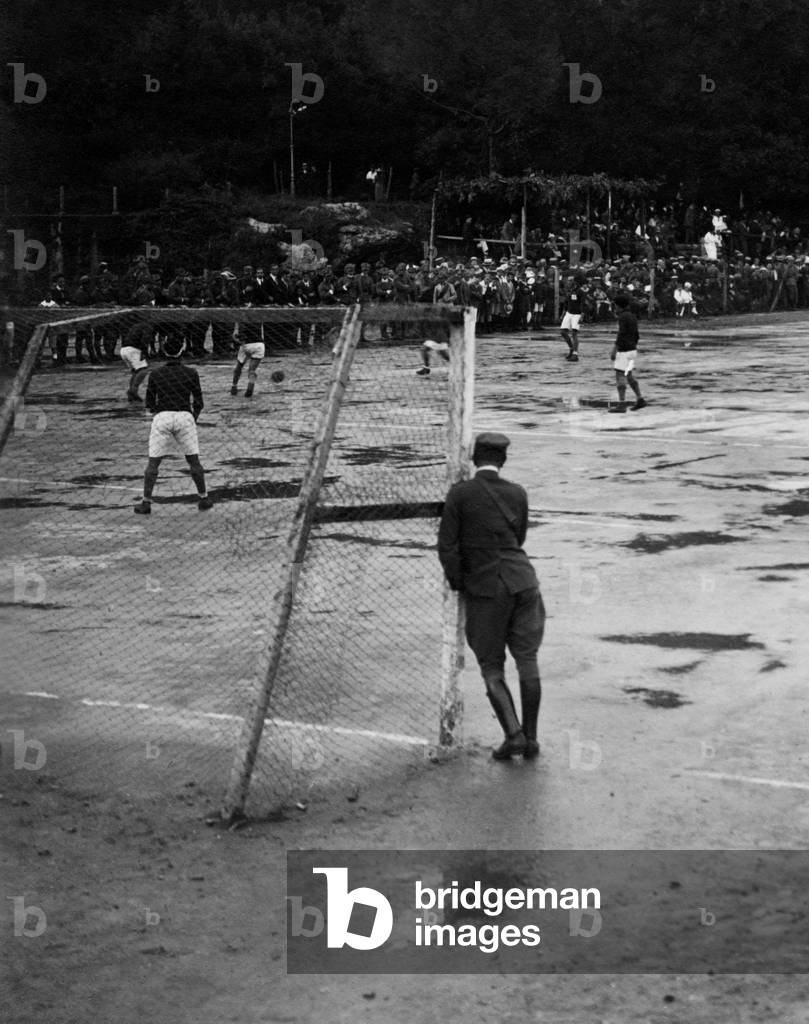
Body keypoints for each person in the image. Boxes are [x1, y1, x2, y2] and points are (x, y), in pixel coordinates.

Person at [438, 432, 545, 760]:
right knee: (527, 659)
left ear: (473, 458)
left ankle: (513, 735)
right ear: (503, 460)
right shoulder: (517, 493)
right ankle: (531, 738)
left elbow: (447, 547)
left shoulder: (460, 495)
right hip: (524, 581)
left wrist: (460, 583)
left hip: (487, 588)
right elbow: (520, 535)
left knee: (490, 663)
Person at [134, 334, 212, 514]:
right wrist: (192, 418)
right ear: (181, 351)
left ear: (164, 352)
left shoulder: (156, 373)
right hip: (184, 415)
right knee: (194, 461)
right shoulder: (191, 373)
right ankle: (203, 498)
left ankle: (146, 502)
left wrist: (156, 414)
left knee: (153, 463)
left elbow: (150, 402)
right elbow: (199, 401)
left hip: (162, 415)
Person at [609, 294, 646, 412]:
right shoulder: (632, 316)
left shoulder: (622, 317)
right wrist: (633, 346)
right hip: (632, 349)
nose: (614, 308)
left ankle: (622, 404)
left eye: (615, 306)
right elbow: (636, 335)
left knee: (620, 376)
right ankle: (640, 399)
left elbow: (621, 334)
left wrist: (615, 349)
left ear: (619, 306)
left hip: (624, 350)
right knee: (629, 375)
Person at [120, 316, 153, 403]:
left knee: (136, 371)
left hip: (124, 350)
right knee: (143, 370)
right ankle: (133, 391)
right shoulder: (148, 326)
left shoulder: (137, 325)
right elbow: (145, 339)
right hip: (133, 350)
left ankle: (132, 391)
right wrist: (144, 352)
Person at [560, 277, 583, 361]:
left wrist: (582, 315)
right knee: (563, 332)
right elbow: (567, 302)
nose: (568, 282)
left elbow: (583, 303)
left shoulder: (580, 291)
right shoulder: (569, 291)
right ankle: (571, 348)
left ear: (574, 282)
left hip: (577, 314)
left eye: (570, 281)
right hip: (569, 313)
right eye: (568, 280)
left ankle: (575, 354)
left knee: (574, 333)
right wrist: (563, 313)